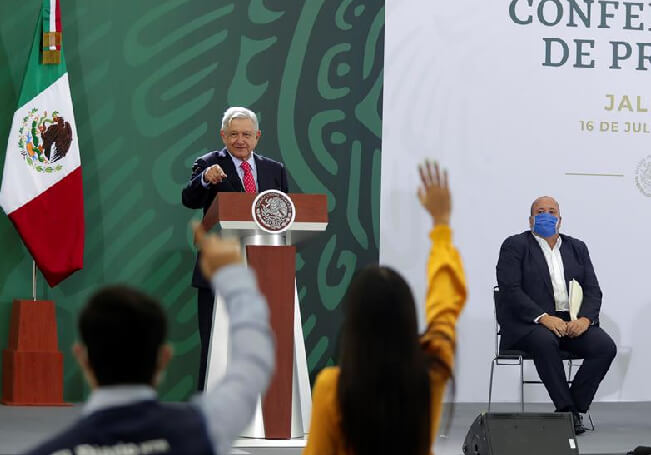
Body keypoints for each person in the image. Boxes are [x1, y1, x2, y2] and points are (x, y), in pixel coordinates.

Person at [24, 222, 274, 455]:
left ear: (82, 357)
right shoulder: (205, 428)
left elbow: (254, 363)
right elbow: (253, 363)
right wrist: (231, 274)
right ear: (164, 357)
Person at [303, 161, 467, 455]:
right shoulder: (432, 371)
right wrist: (441, 224)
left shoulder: (333, 387)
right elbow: (445, 306)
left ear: (353, 321)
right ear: (408, 317)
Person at [181, 106, 288, 390]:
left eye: (246, 134)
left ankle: (261, 407)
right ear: (223, 136)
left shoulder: (274, 170)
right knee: (214, 346)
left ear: (257, 136)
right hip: (219, 270)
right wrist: (205, 179)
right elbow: (189, 200)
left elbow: (286, 217)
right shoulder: (208, 163)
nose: (240, 140)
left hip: (264, 271)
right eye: (233, 134)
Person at [496, 196, 616, 434]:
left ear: (560, 219)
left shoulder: (577, 247)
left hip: (571, 320)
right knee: (545, 341)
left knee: (605, 347)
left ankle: (574, 408)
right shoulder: (515, 245)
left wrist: (585, 320)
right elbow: (510, 289)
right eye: (540, 211)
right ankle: (566, 410)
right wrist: (543, 317)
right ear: (531, 220)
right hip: (531, 323)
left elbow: (593, 290)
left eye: (552, 212)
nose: (546, 216)